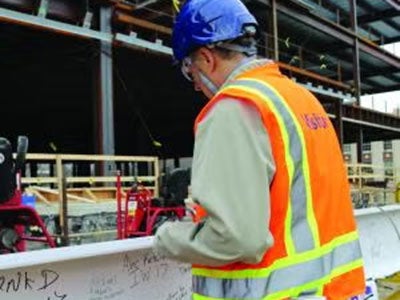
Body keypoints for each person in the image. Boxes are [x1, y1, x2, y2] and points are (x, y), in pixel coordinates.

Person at [155, 0, 366, 299]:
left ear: (205, 58)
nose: (196, 86)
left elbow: (238, 239)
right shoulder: (299, 99)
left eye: (191, 73)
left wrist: (167, 236)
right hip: (332, 290)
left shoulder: (233, 108)